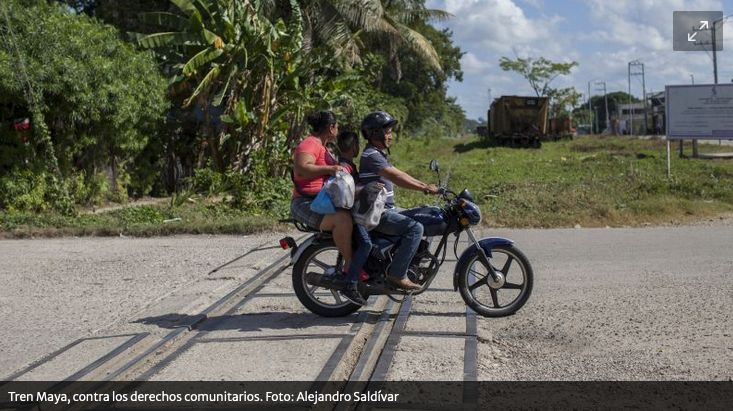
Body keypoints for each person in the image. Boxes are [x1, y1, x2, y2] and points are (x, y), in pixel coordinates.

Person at [359, 111, 439, 291]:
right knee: (415, 228)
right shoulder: (372, 155)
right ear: (375, 133)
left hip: (385, 209)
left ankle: (402, 260)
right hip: (378, 212)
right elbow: (396, 177)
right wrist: (424, 187)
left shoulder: (377, 154)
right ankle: (397, 274)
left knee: (421, 214)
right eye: (387, 132)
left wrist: (424, 185)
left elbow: (398, 173)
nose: (390, 136)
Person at [291, 111, 354, 276]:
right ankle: (351, 267)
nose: (338, 130)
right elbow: (302, 169)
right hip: (306, 203)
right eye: (337, 127)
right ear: (331, 128)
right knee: (343, 219)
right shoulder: (310, 143)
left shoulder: (324, 147)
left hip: (321, 202)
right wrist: (330, 169)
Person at [335, 131, 370, 305]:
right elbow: (345, 192)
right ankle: (351, 283)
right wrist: (365, 189)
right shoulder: (344, 167)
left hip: (353, 214)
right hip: (350, 217)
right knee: (366, 243)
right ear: (354, 146)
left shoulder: (348, 165)